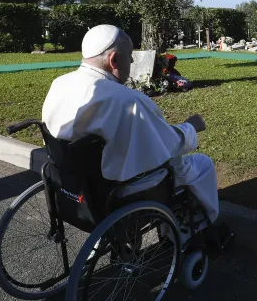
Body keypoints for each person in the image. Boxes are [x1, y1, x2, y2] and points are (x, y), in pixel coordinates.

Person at [41, 24, 220, 234]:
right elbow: (167, 145)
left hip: (73, 182)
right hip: (119, 189)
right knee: (202, 164)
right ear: (114, 60)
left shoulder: (59, 83)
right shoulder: (129, 101)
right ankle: (194, 229)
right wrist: (190, 127)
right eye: (130, 55)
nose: (133, 60)